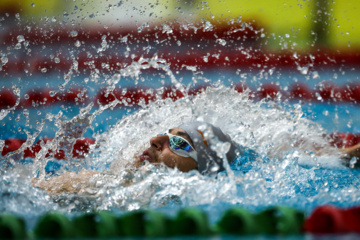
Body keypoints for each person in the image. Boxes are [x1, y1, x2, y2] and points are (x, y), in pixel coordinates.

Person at [32, 121, 360, 195]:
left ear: (203, 169)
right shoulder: (109, 186)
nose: (156, 140)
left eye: (179, 143)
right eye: (166, 134)